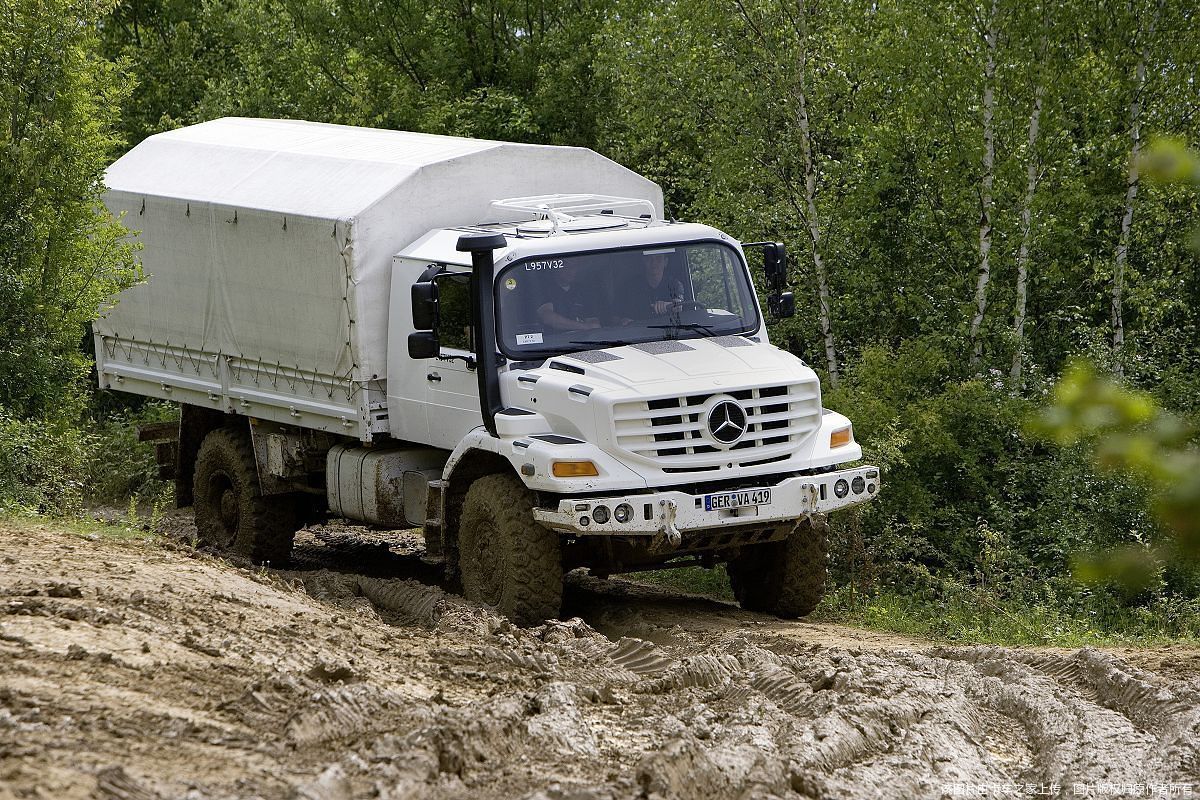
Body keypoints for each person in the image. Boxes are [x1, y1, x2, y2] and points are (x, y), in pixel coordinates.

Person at [620, 252, 684, 324]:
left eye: (658, 258)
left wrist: (668, 305)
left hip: (669, 331)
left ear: (665, 262)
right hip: (637, 333)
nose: (654, 262)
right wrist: (623, 322)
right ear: (643, 261)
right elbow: (615, 317)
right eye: (649, 258)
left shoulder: (674, 284)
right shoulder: (630, 287)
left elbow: (679, 306)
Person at [536, 263, 600, 332]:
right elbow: (547, 317)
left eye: (573, 267)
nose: (570, 271)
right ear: (556, 270)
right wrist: (585, 327)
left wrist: (592, 326)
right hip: (555, 340)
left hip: (583, 339)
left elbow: (593, 322)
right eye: (565, 268)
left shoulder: (582, 290)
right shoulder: (545, 290)